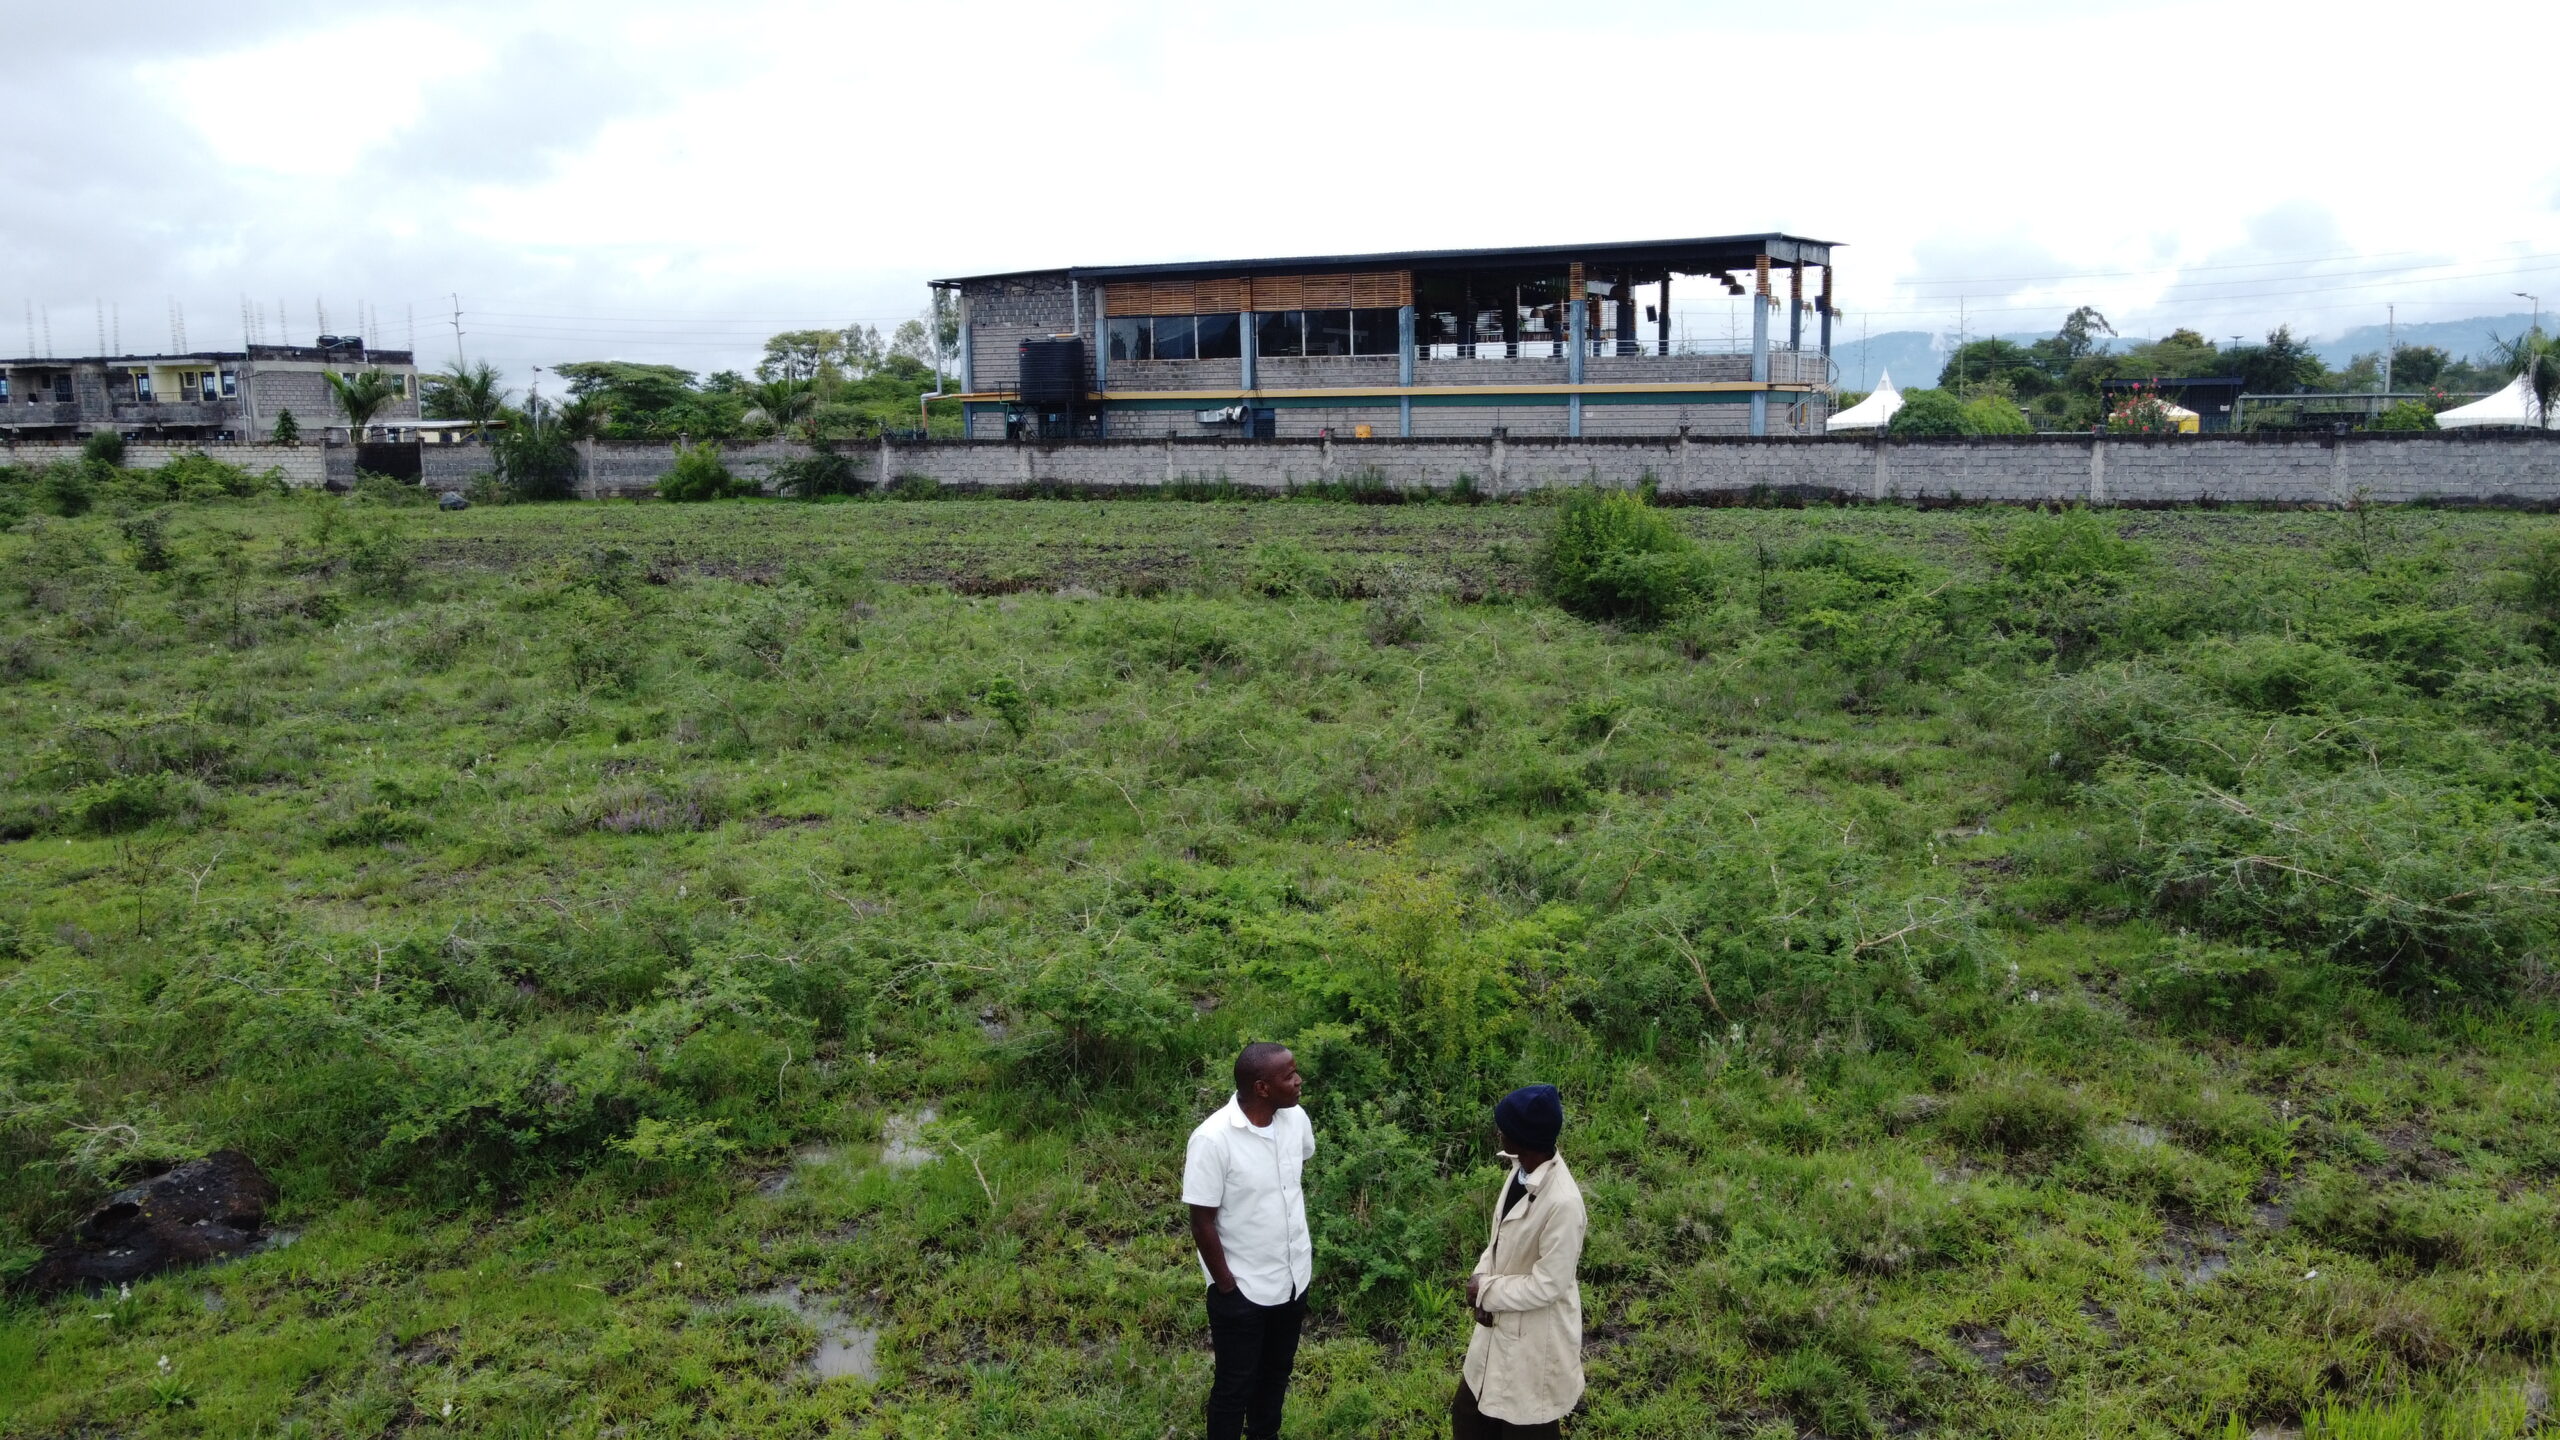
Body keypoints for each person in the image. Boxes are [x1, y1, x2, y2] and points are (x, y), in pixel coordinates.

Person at [1183, 1042, 1315, 1440]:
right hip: (1243, 1290)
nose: (1299, 1081)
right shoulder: (1213, 1140)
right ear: (1262, 1088)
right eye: (1289, 1076)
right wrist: (1227, 1287)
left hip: (1293, 1280)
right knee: (1234, 1386)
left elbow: (1291, 1174)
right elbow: (1201, 1221)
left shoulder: (1295, 1119)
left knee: (1276, 1374)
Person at [1454, 1084, 1586, 1439]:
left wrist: (1486, 1291)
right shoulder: (1520, 1171)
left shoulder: (1563, 1203)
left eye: (1505, 1128)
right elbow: (1498, 1240)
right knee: (1468, 1416)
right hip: (1500, 1323)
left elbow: (1549, 1284)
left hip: (1535, 1340)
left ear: (1524, 1139)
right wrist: (1482, 1281)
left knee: (1526, 1424)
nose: (1499, 1132)